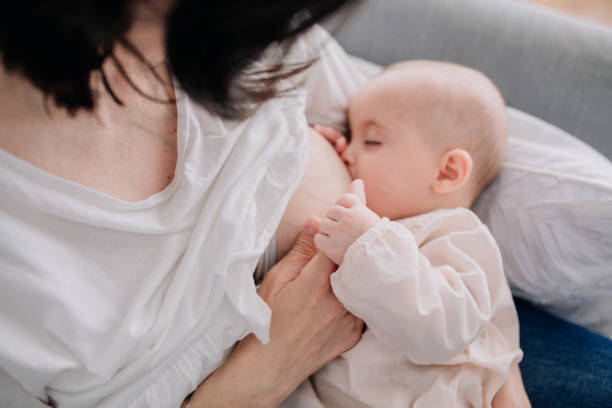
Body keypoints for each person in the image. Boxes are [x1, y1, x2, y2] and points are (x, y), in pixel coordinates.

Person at [0, 1, 576, 407]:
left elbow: (464, 328)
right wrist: (271, 368)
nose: (346, 141)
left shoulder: (448, 231)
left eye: (363, 139)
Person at [275, 60, 523, 407]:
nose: (349, 151)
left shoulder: (459, 236)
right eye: (349, 135)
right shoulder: (369, 229)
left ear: (448, 171)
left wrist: (367, 243)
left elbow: (442, 331)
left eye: (372, 140)